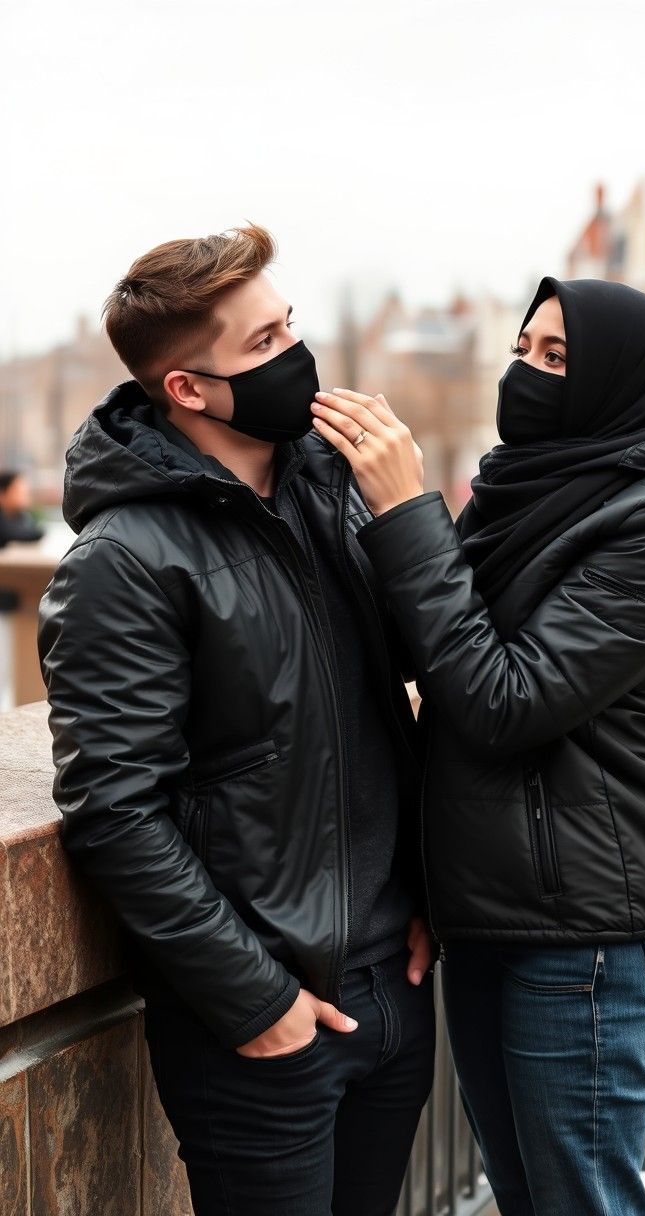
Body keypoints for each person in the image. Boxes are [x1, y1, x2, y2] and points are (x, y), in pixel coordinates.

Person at [310, 276, 645, 1216]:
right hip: (491, 908)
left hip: (585, 934)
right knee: (523, 1195)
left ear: (617, 384)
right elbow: (431, 638)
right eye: (523, 349)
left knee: (576, 1201)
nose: (528, 373)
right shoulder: (533, 480)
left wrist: (405, 510)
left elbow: (502, 699)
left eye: (557, 358)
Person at [37, 224, 435, 1216]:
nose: (296, 357)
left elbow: (441, 679)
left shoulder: (337, 490)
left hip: (395, 983)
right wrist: (256, 1000)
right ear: (186, 388)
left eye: (288, 325)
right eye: (262, 345)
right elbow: (117, 808)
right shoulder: (123, 561)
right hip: (265, 1023)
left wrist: (409, 510)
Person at [0, 470, 45, 547]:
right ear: (2, 493)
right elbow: (7, 534)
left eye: (25, 491)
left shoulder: (22, 516)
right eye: (18, 491)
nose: (24, 496)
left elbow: (37, 532)